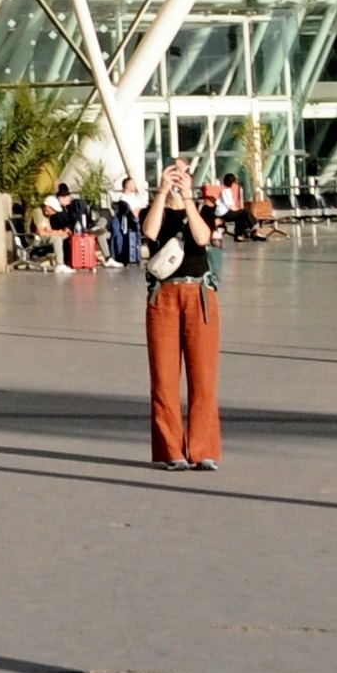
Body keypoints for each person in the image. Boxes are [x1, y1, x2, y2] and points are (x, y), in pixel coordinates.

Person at [140, 161, 224, 470]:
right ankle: (171, 450)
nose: (178, 180)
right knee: (164, 378)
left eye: (183, 176)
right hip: (163, 296)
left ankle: (203, 450)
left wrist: (188, 199)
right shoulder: (155, 211)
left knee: (203, 378)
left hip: (198, 295)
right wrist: (162, 191)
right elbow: (149, 232)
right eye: (173, 175)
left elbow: (202, 239)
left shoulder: (202, 211)